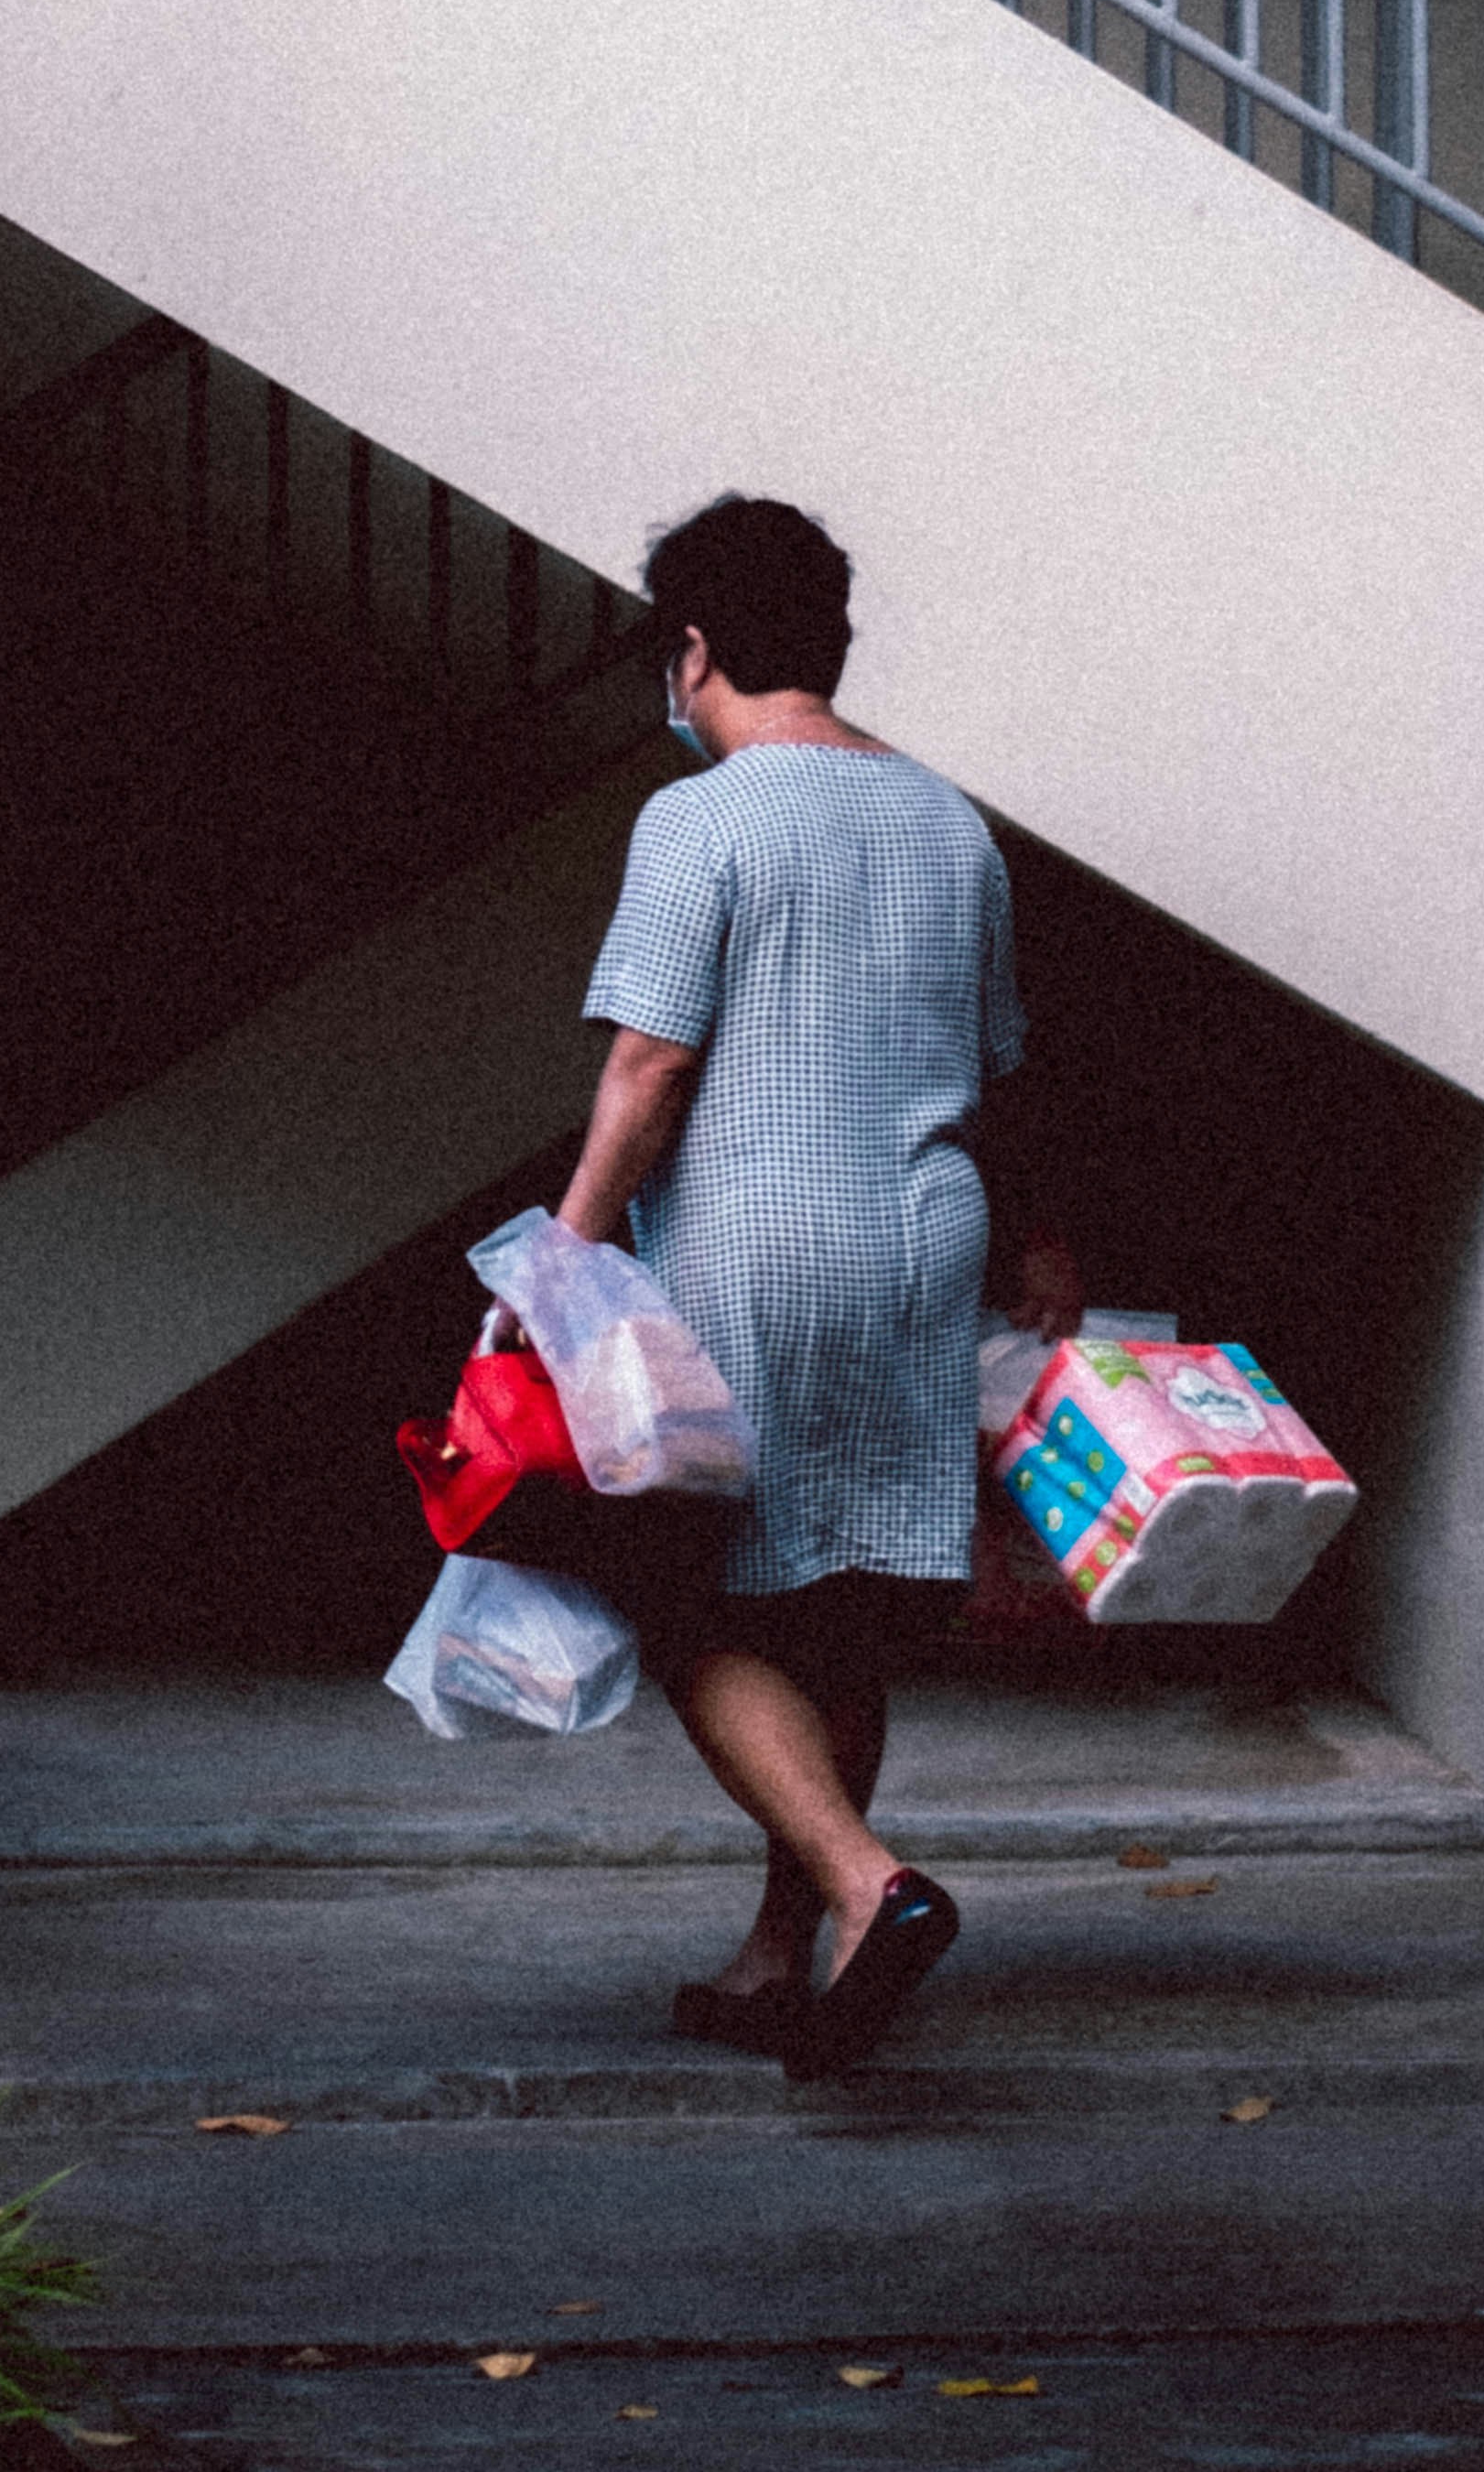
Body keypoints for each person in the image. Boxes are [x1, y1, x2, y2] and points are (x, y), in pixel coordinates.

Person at [539, 493, 1060, 2081]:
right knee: (839, 1610)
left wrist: (562, 1258)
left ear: (690, 648)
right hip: (920, 1245)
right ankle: (787, 1960)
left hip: (757, 1247)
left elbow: (649, 1062)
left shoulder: (701, 818)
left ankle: (868, 1885)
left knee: (683, 1598)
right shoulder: (946, 819)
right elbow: (992, 1067)